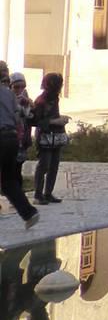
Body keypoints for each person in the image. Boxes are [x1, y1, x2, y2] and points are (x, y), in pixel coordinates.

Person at [0, 71, 38, 229]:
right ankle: (29, 213)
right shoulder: (8, 94)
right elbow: (17, 118)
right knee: (8, 180)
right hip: (12, 138)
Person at [29, 73, 68, 204]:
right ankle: (38, 195)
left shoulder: (54, 99)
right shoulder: (41, 101)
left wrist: (61, 119)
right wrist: (55, 122)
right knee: (44, 166)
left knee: (54, 166)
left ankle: (48, 193)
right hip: (45, 138)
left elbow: (52, 115)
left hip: (56, 137)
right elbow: (36, 121)